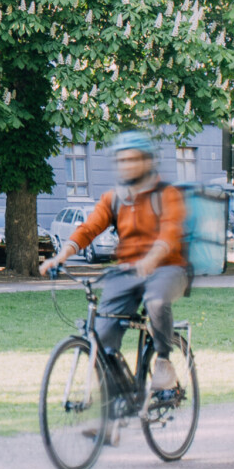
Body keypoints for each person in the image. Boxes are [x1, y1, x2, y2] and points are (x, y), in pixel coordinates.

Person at [43, 131, 186, 394]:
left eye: (133, 159)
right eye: (121, 161)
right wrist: (62, 255)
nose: (127, 165)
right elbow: (89, 228)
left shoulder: (167, 194)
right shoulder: (114, 198)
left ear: (147, 161)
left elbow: (170, 232)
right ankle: (112, 412)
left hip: (168, 267)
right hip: (128, 271)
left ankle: (164, 361)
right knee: (101, 334)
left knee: (156, 300)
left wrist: (152, 258)